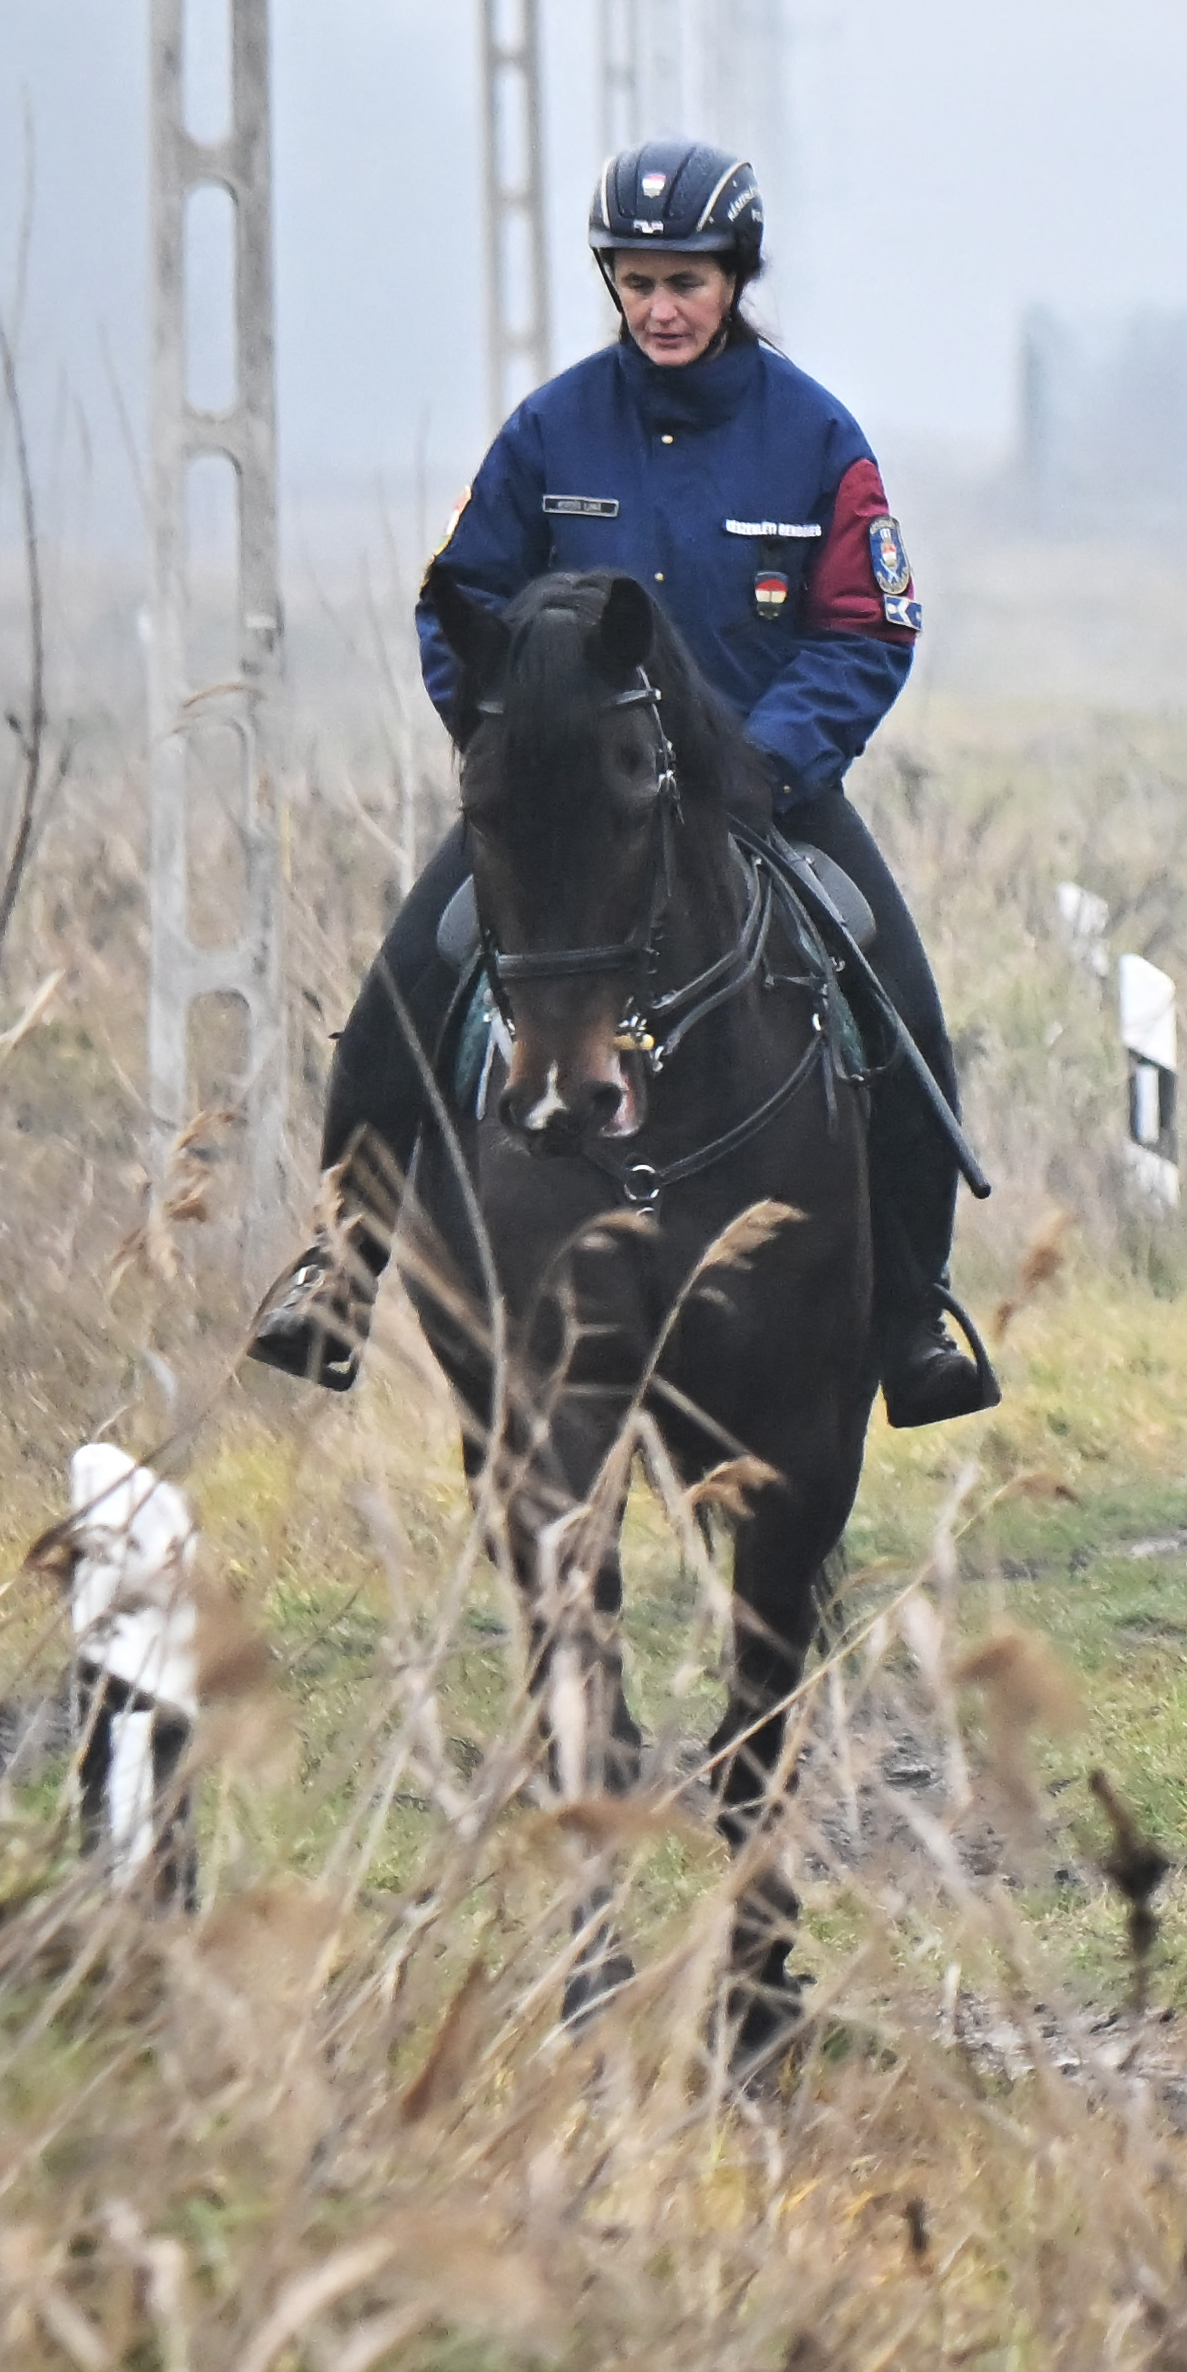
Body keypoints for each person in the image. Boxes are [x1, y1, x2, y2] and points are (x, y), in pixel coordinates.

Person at [249, 138, 998, 1424]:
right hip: (566, 818)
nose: (660, 306)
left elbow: (869, 626)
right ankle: (343, 1263)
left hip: (766, 792)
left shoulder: (817, 438)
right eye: (638, 281)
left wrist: (765, 763)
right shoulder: (548, 431)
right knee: (402, 990)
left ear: (735, 279)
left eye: (687, 282)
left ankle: (909, 1307)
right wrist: (514, 754)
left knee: (906, 1013)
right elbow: (461, 607)